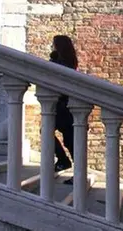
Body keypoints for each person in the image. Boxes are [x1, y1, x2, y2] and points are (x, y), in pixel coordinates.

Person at [49, 35, 78, 182]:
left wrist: (52, 60)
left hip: (64, 106)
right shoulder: (69, 60)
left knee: (70, 140)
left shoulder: (62, 62)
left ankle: (64, 161)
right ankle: (63, 160)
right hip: (62, 105)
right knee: (69, 140)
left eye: (54, 44)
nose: (52, 47)